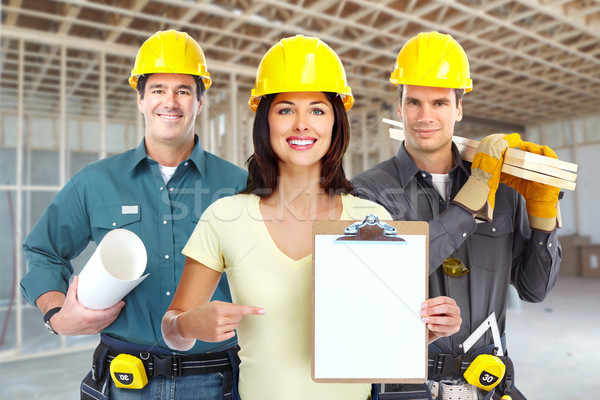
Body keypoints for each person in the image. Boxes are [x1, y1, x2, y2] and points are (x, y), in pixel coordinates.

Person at [161, 35, 462, 400]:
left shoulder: (371, 221)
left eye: (317, 110)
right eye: (286, 109)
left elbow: (381, 333)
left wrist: (425, 330)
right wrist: (191, 323)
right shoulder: (225, 218)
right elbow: (172, 327)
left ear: (336, 122)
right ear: (265, 121)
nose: (302, 124)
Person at [20, 30, 248, 400]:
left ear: (200, 102)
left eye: (184, 90)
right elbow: (43, 250)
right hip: (125, 380)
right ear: (140, 99)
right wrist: (57, 316)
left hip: (217, 381)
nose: (170, 102)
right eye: (158, 89)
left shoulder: (239, 184)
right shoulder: (95, 182)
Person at [351, 31, 562, 400]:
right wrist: (469, 204)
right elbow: (387, 275)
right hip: (407, 386)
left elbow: (534, 289)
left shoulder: (503, 189)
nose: (425, 116)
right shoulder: (366, 192)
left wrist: (544, 213)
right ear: (399, 108)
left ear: (459, 108)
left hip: (489, 383)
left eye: (439, 103)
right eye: (414, 102)